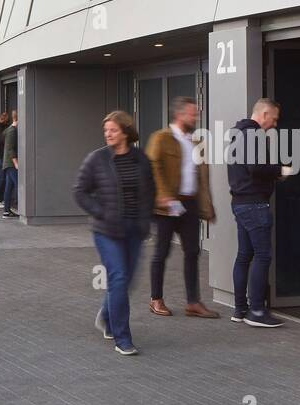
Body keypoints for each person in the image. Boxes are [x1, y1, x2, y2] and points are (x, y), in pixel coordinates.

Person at [73, 110, 154, 356]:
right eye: (106, 130)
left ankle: (107, 316)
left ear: (126, 132)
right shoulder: (96, 159)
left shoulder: (141, 159)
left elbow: (150, 191)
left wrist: (146, 219)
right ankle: (122, 337)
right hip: (107, 230)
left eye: (113, 130)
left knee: (127, 281)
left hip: (134, 229)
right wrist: (101, 212)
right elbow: (80, 191)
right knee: (118, 278)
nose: (108, 134)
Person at [145, 96, 218, 318]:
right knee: (161, 252)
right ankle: (156, 299)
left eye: (196, 113)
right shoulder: (161, 138)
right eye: (192, 113)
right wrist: (164, 195)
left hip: (190, 204)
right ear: (179, 115)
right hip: (166, 206)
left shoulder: (196, 142)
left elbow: (202, 177)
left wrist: (207, 206)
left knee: (193, 252)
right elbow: (152, 167)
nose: (195, 116)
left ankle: (193, 303)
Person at [227, 99, 285, 328]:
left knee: (244, 256)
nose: (275, 123)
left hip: (240, 202)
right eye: (274, 118)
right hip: (254, 204)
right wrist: (280, 170)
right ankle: (257, 312)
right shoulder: (253, 135)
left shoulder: (236, 134)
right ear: (264, 113)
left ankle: (240, 309)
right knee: (262, 256)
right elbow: (257, 167)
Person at [1, 111, 20, 217]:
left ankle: (6, 210)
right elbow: (10, 148)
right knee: (18, 184)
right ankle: (20, 207)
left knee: (9, 186)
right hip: (11, 163)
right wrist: (16, 163)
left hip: (8, 163)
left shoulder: (9, 130)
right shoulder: (12, 131)